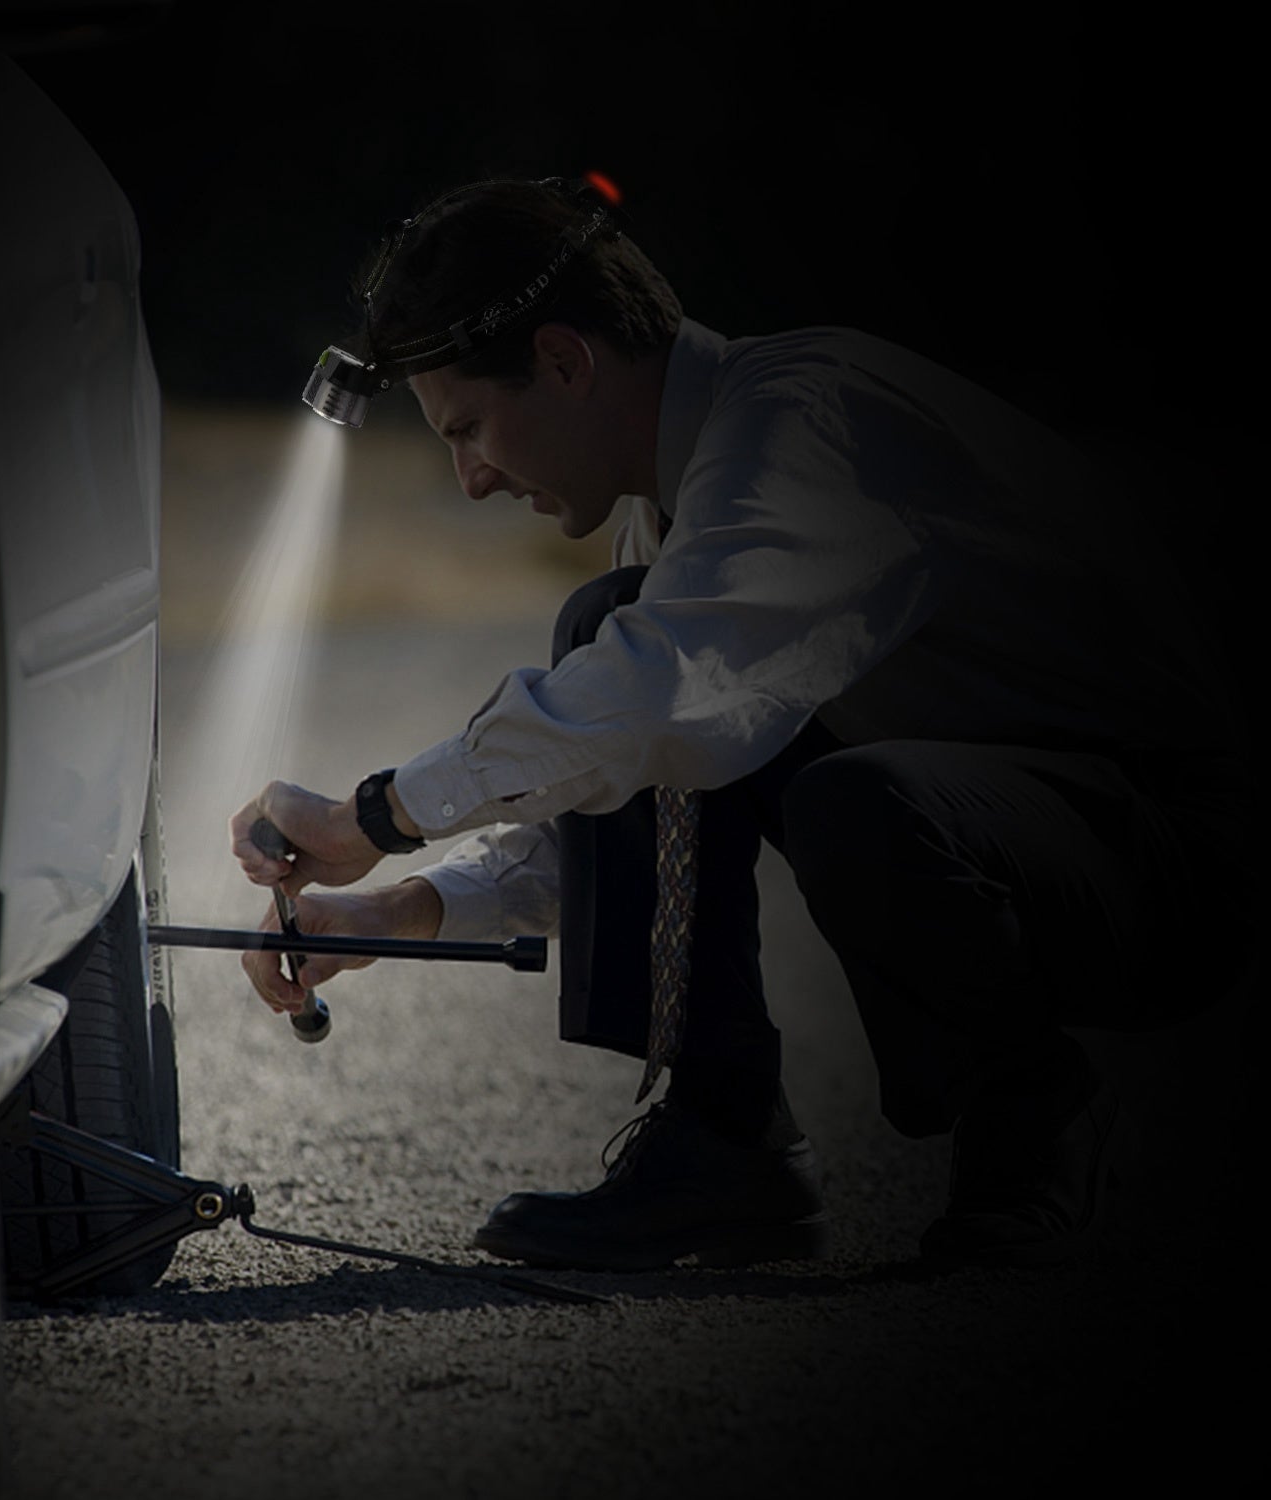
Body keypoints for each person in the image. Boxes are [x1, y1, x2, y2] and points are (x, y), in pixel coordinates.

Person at [229, 176, 1253, 1272]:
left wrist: (374, 815)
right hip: (1040, 818)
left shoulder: (807, 421)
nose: (470, 478)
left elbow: (664, 700)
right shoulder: (686, 493)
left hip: (1179, 854)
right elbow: (621, 763)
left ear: (567, 362)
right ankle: (727, 1149)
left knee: (768, 745)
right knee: (619, 640)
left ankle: (1035, 1113)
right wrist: (400, 908)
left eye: (468, 429)